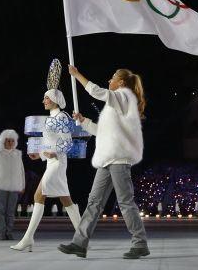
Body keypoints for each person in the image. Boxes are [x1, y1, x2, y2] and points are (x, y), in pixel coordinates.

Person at [59, 66, 149, 259]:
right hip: (107, 158)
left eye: (112, 78)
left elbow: (96, 91)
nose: (109, 81)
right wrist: (83, 121)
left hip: (119, 159)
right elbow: (101, 131)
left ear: (121, 83)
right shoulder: (114, 105)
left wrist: (77, 75)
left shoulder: (124, 96)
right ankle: (79, 243)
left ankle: (140, 243)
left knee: (125, 202)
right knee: (94, 202)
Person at [11, 88, 81, 251]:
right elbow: (50, 144)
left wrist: (54, 152)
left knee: (38, 195)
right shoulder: (51, 118)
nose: (43, 101)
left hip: (58, 162)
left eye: (46, 98)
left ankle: (28, 238)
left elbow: (68, 142)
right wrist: (41, 155)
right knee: (66, 200)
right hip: (51, 162)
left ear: (55, 100)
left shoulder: (62, 117)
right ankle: (83, 235)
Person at [0, 129, 25, 240]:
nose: (10, 143)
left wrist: (22, 185)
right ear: (3, 141)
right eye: (8, 140)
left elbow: (21, 171)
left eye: (12, 141)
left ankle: (9, 232)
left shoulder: (18, 154)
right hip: (0, 186)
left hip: (14, 186)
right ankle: (1, 233)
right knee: (0, 210)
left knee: (10, 211)